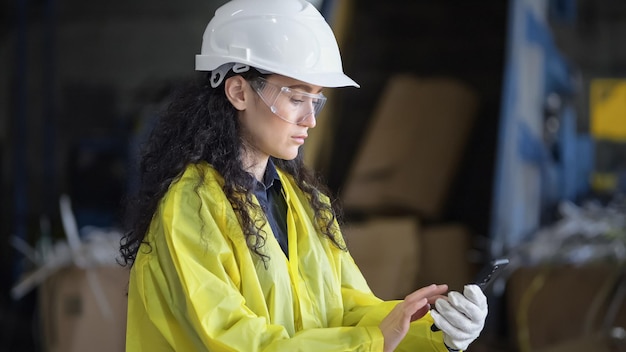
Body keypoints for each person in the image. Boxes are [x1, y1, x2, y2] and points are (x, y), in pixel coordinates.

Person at [119, 0, 488, 351]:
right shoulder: (191, 210)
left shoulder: (301, 202)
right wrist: (374, 341)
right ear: (238, 91)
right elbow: (235, 342)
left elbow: (346, 310)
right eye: (297, 99)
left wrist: (436, 330)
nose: (310, 120)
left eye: (316, 100)